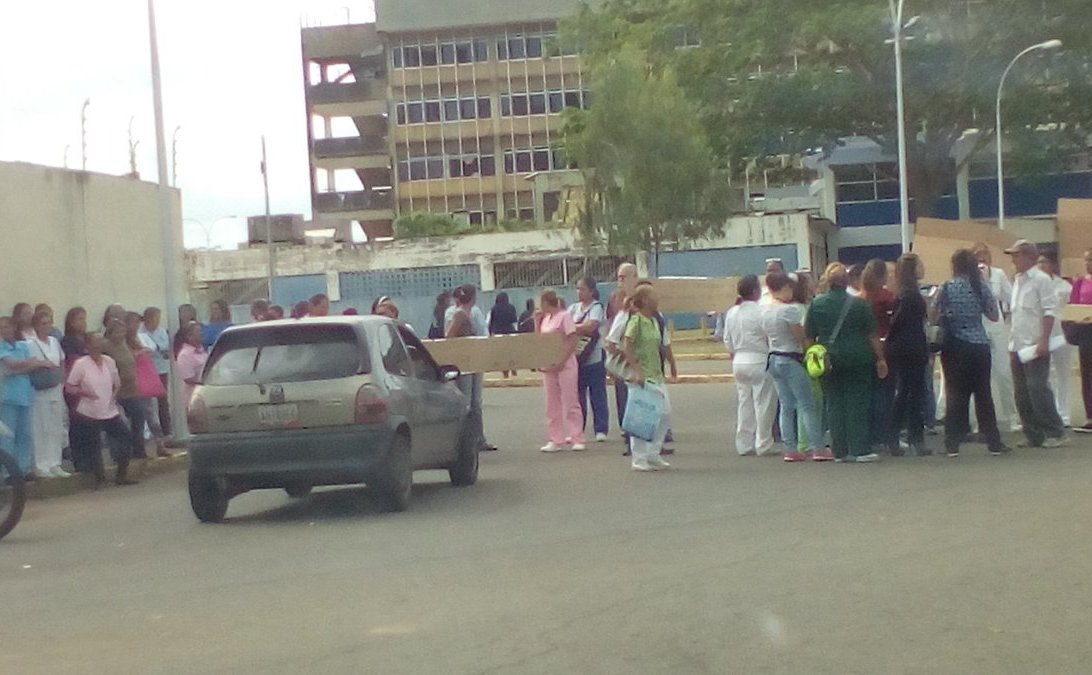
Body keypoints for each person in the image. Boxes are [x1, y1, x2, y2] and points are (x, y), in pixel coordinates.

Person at [805, 263, 885, 463]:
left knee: (833, 403)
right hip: (858, 358)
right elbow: (872, 335)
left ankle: (839, 450)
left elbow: (808, 337)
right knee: (857, 403)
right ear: (847, 281)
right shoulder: (859, 304)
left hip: (828, 359)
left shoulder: (817, 304)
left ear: (828, 282)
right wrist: (881, 359)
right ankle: (859, 449)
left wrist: (813, 356)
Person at [935, 249, 1009, 457]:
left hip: (955, 345)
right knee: (983, 394)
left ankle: (952, 444)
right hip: (979, 345)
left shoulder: (947, 287)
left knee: (955, 395)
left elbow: (933, 312)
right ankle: (994, 443)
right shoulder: (981, 286)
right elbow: (993, 315)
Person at [762, 273, 830, 462]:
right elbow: (800, 336)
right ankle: (817, 447)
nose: (791, 291)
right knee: (806, 404)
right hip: (791, 358)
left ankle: (790, 448)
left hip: (774, 357)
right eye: (788, 288)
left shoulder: (765, 310)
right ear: (782, 289)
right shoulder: (789, 310)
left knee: (785, 405)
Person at [1006, 240, 1067, 448]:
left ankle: (1054, 430)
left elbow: (1049, 311)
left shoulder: (1041, 280)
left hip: (1035, 342)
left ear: (1028, 257)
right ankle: (1033, 432)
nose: (1013, 260)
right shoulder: (1018, 280)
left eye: (1017, 255)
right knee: (1021, 391)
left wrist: (1044, 340)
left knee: (1037, 387)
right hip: (1017, 343)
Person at [65, 332, 137, 487]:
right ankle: (100, 478)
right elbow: (70, 387)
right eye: (95, 343)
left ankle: (121, 474)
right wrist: (84, 392)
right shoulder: (81, 364)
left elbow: (117, 383)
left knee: (125, 437)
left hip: (109, 409)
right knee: (94, 445)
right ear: (88, 346)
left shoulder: (109, 361)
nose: (98, 346)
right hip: (89, 411)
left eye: (100, 342)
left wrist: (114, 396)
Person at [620, 284, 675, 471]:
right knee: (642, 416)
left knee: (664, 413)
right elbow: (626, 344)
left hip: (656, 374)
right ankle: (639, 458)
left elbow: (663, 346)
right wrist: (636, 370)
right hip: (642, 376)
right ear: (644, 300)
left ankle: (653, 452)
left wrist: (671, 365)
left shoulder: (653, 321)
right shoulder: (636, 320)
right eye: (653, 296)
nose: (657, 299)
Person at [724, 275, 777, 457]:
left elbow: (727, 341)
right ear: (755, 292)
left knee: (744, 402)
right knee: (763, 403)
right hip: (759, 359)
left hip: (739, 360)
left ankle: (743, 443)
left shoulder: (732, 312)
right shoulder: (762, 311)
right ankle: (763, 443)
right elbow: (768, 336)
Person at [885, 254, 929, 456]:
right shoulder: (911, 295)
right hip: (911, 347)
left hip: (903, 347)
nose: (923, 268)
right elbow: (900, 321)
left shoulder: (904, 292)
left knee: (905, 392)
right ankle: (912, 437)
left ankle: (898, 437)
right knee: (913, 393)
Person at [973, 243, 1019, 431]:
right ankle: (979, 422)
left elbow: (1011, 297)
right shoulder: (969, 278)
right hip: (978, 330)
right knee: (980, 377)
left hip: (998, 329)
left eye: (985, 255)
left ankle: (1012, 417)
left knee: (1003, 374)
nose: (982, 258)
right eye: (977, 256)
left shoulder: (999, 274)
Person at [445, 285, 496, 452]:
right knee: (471, 402)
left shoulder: (452, 313)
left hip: (464, 361)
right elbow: (483, 335)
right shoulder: (466, 313)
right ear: (473, 298)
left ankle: (471, 439)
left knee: (470, 402)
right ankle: (471, 439)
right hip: (469, 361)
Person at [535, 289, 586, 452]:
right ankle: (555, 438)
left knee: (570, 400)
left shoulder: (564, 316)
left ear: (545, 302)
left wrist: (562, 360)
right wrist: (536, 322)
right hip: (549, 364)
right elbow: (540, 341)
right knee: (552, 402)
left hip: (565, 363)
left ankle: (577, 436)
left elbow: (572, 339)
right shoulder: (545, 319)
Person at [0, 316, 50, 479]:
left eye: (6, 327)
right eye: (1, 328)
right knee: (8, 435)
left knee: (25, 434)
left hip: (25, 395)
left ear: (14, 327)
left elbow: (29, 364)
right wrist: (29, 365)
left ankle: (24, 468)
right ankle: (8, 472)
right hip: (8, 396)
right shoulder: (1, 347)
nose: (4, 331)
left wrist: (27, 365)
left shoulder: (22, 346)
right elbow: (11, 364)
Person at [27, 310, 69, 478]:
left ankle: (55, 463)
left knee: (55, 426)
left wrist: (62, 379)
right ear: (36, 326)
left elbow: (61, 361)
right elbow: (29, 364)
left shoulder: (54, 341)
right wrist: (41, 364)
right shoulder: (30, 343)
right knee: (41, 427)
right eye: (43, 323)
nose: (47, 326)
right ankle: (41, 464)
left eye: (49, 322)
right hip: (40, 390)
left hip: (55, 388)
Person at [860, 258, 896, 451]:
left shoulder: (860, 297)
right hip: (884, 348)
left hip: (865, 349)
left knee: (870, 394)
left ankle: (870, 434)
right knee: (885, 394)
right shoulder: (886, 297)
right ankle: (884, 435)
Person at [102, 318, 149, 460]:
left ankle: (138, 450)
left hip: (132, 389)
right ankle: (119, 454)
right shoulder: (106, 347)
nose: (120, 335)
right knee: (117, 423)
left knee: (139, 416)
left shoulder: (125, 345)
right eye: (117, 332)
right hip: (117, 391)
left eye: (123, 331)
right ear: (110, 333)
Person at [569, 277, 609, 442]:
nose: (579, 292)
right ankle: (579, 428)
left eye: (582, 289)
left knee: (597, 393)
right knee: (578, 397)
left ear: (591, 291)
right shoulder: (573, 308)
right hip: (577, 358)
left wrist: (573, 328)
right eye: (577, 289)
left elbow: (591, 325)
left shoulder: (596, 307)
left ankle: (601, 428)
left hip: (594, 357)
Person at [606, 262, 640, 452]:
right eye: (618, 277)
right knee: (625, 397)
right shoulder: (615, 299)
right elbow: (611, 326)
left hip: (644, 359)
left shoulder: (643, 297)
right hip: (625, 360)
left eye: (623, 277)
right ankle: (629, 437)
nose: (620, 281)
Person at [126, 312, 169, 457]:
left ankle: (159, 444)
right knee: (137, 417)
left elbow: (153, 349)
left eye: (137, 322)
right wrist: (140, 352)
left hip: (143, 379)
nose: (135, 325)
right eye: (132, 322)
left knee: (150, 413)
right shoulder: (123, 341)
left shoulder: (141, 337)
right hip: (131, 381)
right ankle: (138, 447)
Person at [1038, 251, 1073, 427]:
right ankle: (1049, 414)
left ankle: (1064, 413)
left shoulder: (1064, 286)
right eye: (1039, 262)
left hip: (1062, 332)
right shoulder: (1036, 285)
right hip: (1044, 333)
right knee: (1046, 375)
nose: (1041, 266)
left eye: (1044, 262)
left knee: (1063, 374)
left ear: (1052, 265)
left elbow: (1069, 310)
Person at [1065, 248, 1092, 433]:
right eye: (1087, 260)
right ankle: (1090, 416)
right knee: (1088, 374)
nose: (1088, 263)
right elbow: (1073, 305)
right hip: (1086, 331)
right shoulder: (1080, 282)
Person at [138, 307, 172, 440]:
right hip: (147, 370)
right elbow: (146, 349)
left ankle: (166, 430)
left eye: (158, 319)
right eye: (154, 318)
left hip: (161, 369)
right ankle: (149, 430)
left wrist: (157, 348)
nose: (156, 321)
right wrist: (156, 349)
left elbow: (166, 347)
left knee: (163, 400)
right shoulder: (140, 333)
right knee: (147, 402)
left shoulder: (162, 332)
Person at [176, 322, 208, 407]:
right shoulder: (184, 355)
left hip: (206, 395)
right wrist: (207, 381)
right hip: (193, 398)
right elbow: (188, 379)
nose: (201, 333)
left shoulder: (202, 351)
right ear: (189, 336)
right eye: (198, 331)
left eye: (201, 331)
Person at [488, 292, 519, 378]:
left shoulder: (494, 308)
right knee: (511, 352)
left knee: (502, 353)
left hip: (498, 333)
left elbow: (491, 322)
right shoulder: (511, 308)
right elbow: (514, 321)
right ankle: (513, 368)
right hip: (509, 332)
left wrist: (490, 333)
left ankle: (505, 372)